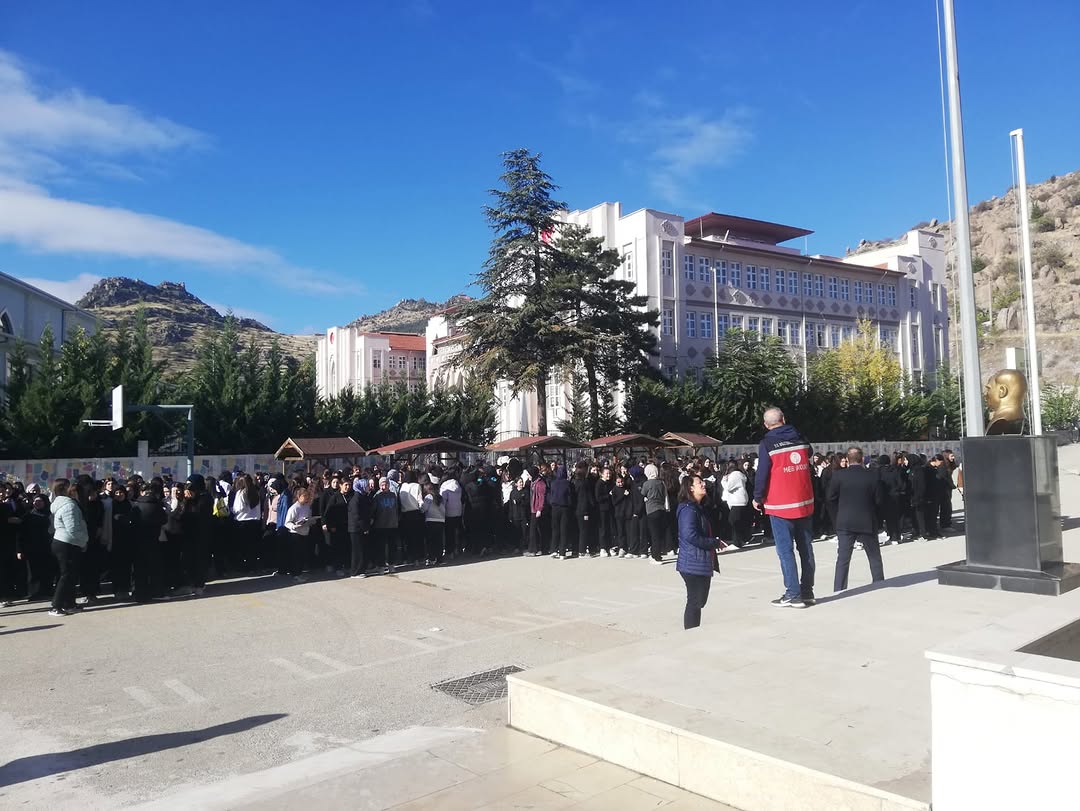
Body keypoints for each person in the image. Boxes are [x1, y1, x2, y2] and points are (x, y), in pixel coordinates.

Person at [753, 407, 816, 608]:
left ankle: (793, 594)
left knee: (785, 550)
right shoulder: (800, 438)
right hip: (804, 500)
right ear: (784, 419)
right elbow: (810, 453)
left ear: (766, 425)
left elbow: (762, 472)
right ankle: (807, 592)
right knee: (806, 549)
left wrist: (758, 497)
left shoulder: (767, 443)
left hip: (780, 503)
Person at [827, 447, 886, 592]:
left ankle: (839, 589)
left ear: (847, 459)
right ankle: (879, 585)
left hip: (845, 521)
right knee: (874, 557)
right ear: (862, 458)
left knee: (843, 559)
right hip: (866, 520)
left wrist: (838, 516)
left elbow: (830, 498)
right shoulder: (872, 475)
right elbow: (879, 500)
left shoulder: (839, 476)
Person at [675, 474, 717, 629]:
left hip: (700, 561)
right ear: (690, 488)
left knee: (699, 601)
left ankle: (693, 631)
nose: (703, 484)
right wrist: (714, 543)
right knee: (695, 601)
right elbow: (690, 535)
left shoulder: (698, 507)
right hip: (692, 562)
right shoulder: (688, 510)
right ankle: (691, 634)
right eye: (700, 482)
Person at [49, 478, 88, 616]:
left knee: (70, 575)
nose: (74, 489)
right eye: (71, 486)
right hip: (67, 543)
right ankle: (56, 606)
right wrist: (84, 540)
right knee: (66, 575)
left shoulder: (61, 503)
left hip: (66, 542)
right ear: (65, 489)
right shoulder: (68, 505)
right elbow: (73, 528)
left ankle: (69, 603)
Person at [283, 487, 313, 582]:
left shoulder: (307, 507)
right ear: (299, 496)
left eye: (307, 496)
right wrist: (294, 526)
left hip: (305, 533)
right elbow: (287, 522)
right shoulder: (294, 508)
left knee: (302, 555)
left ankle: (299, 572)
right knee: (296, 555)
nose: (306, 498)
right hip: (295, 534)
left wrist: (310, 521)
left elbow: (309, 517)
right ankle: (295, 574)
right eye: (304, 496)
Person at [720, 461, 751, 549]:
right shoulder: (739, 474)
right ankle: (740, 540)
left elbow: (728, 487)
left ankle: (737, 542)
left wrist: (724, 481)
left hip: (737, 501)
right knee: (737, 522)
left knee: (734, 522)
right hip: (739, 500)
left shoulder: (735, 475)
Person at [641, 463, 668, 564]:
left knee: (654, 534)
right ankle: (658, 554)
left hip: (651, 510)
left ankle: (655, 556)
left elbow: (642, 493)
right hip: (661, 509)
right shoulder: (661, 483)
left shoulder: (647, 484)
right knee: (659, 534)